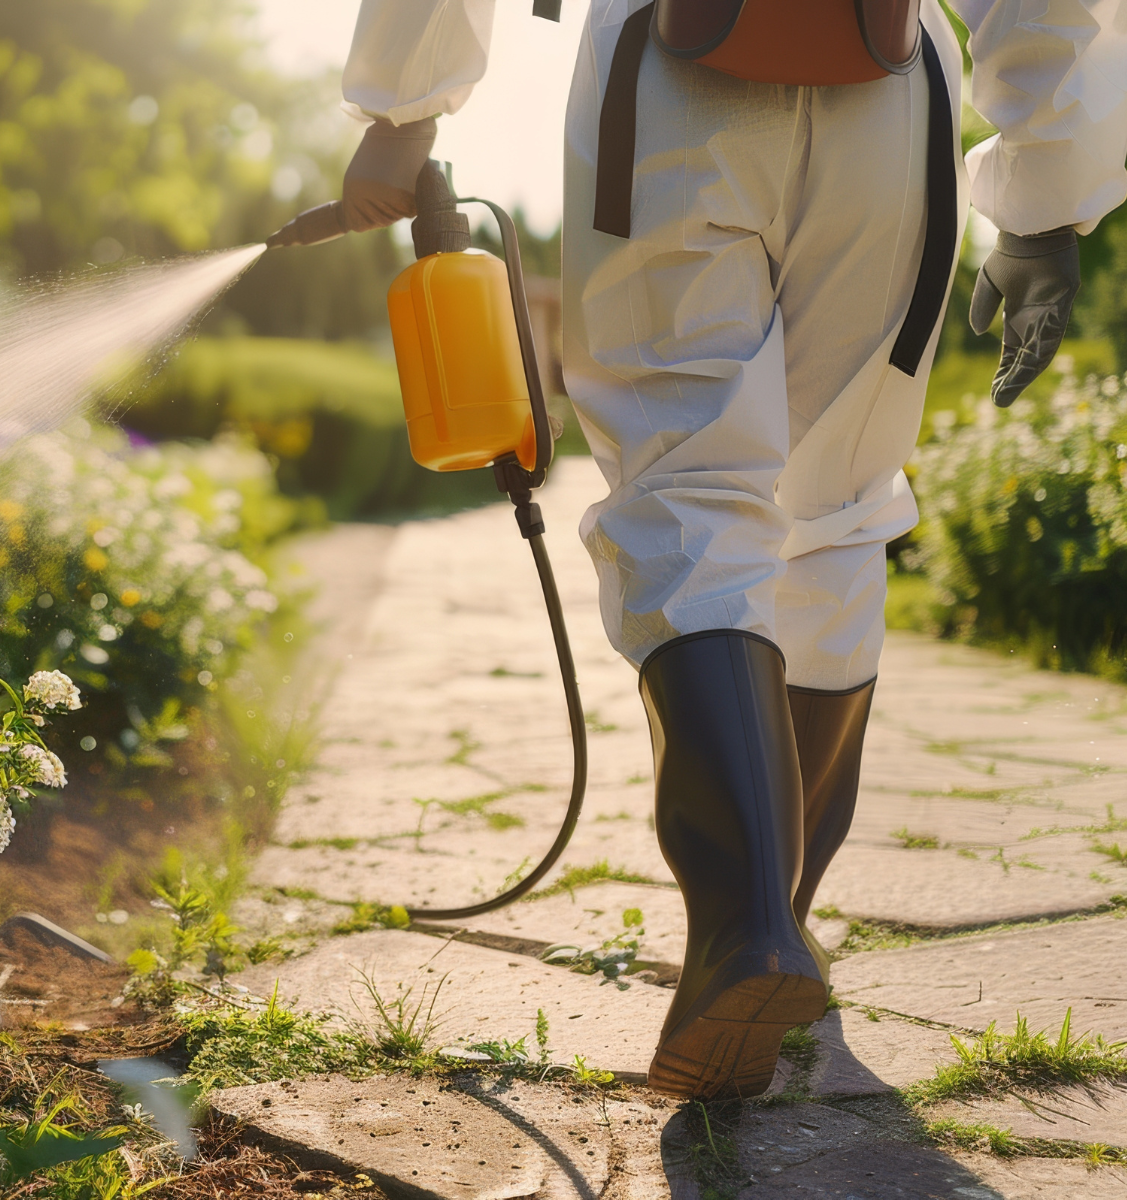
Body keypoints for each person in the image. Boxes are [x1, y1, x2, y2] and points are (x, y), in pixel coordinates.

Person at [272, 0, 1127, 1098]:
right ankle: (780, 929)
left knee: (688, 486)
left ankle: (744, 930)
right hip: (891, 99)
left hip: (671, 87)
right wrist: (1046, 197)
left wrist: (403, 107)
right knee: (839, 503)